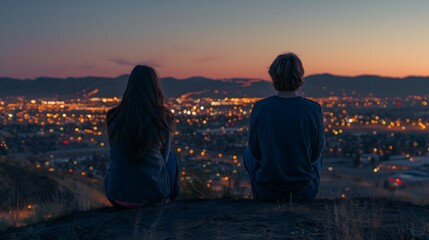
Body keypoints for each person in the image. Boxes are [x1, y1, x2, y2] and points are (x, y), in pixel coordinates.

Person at [243, 52, 325, 202]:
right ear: (300, 76)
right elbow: (315, 152)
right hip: (303, 192)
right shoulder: (314, 109)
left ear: (273, 76)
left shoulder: (260, 108)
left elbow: (255, 151)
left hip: (266, 192)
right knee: (319, 156)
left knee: (247, 153)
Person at [104, 65, 179, 208]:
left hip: (116, 196)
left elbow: (114, 151)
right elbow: (163, 158)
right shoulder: (163, 118)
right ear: (155, 87)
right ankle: (171, 206)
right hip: (153, 196)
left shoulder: (113, 116)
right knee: (172, 158)